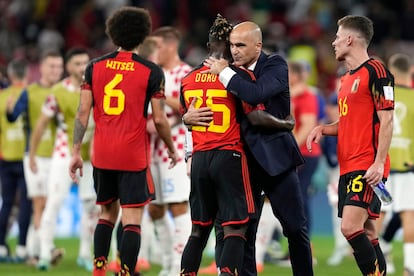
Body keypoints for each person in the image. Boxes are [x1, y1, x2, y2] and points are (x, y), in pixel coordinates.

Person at [68, 7, 178, 276]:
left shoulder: (94, 67)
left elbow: (83, 113)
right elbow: (161, 120)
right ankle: (126, 272)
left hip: (102, 153)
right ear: (142, 36)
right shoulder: (151, 72)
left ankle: (99, 270)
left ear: (113, 33)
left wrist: (75, 151)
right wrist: (172, 148)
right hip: (133, 155)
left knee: (106, 214)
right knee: (132, 219)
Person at [200, 20, 313, 275]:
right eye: (232, 45)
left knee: (295, 229)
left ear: (258, 46)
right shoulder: (227, 69)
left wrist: (225, 73)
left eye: (240, 45)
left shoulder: (274, 65)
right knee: (244, 232)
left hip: (277, 161)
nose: (235, 50)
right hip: (240, 163)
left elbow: (256, 93)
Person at [306, 15, 394, 275]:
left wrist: (379, 162)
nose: (333, 42)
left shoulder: (376, 71)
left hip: (367, 165)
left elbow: (387, 120)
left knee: (349, 227)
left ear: (350, 38)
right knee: (366, 231)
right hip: (348, 165)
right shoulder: (346, 80)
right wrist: (324, 128)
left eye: (337, 36)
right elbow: (348, 123)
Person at [27, 47, 98, 271]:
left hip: (90, 158)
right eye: (77, 63)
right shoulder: (58, 91)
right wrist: (33, 153)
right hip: (63, 153)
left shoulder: (98, 88)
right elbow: (41, 124)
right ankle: (46, 252)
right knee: (54, 202)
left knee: (91, 206)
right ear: (68, 67)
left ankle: (86, 254)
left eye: (85, 62)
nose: (82, 67)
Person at [6, 49, 64, 265]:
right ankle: (45, 250)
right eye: (51, 66)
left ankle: (34, 251)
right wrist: (10, 111)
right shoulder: (29, 92)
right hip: (36, 155)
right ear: (41, 67)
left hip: (59, 155)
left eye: (59, 66)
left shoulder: (64, 90)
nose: (55, 71)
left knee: (50, 204)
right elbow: (14, 116)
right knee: (40, 203)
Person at [145, 26, 193, 276]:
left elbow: (190, 108)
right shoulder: (153, 71)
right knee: (155, 208)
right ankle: (166, 262)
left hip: (175, 148)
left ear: (171, 46)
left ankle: (179, 264)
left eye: (158, 46)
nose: (154, 52)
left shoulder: (186, 73)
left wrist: (161, 98)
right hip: (151, 150)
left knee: (178, 206)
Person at [0, 59, 32, 262]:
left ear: (10, 75)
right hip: (28, 157)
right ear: (27, 74)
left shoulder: (2, 97)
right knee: (27, 203)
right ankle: (22, 246)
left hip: (5, 156)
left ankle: (1, 246)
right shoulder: (32, 94)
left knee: (7, 203)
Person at [386, 53, 414, 276]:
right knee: (409, 215)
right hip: (408, 164)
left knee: (377, 216)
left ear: (391, 70)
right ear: (410, 70)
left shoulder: (383, 96)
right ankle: (410, 267)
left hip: (381, 164)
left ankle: (376, 267)